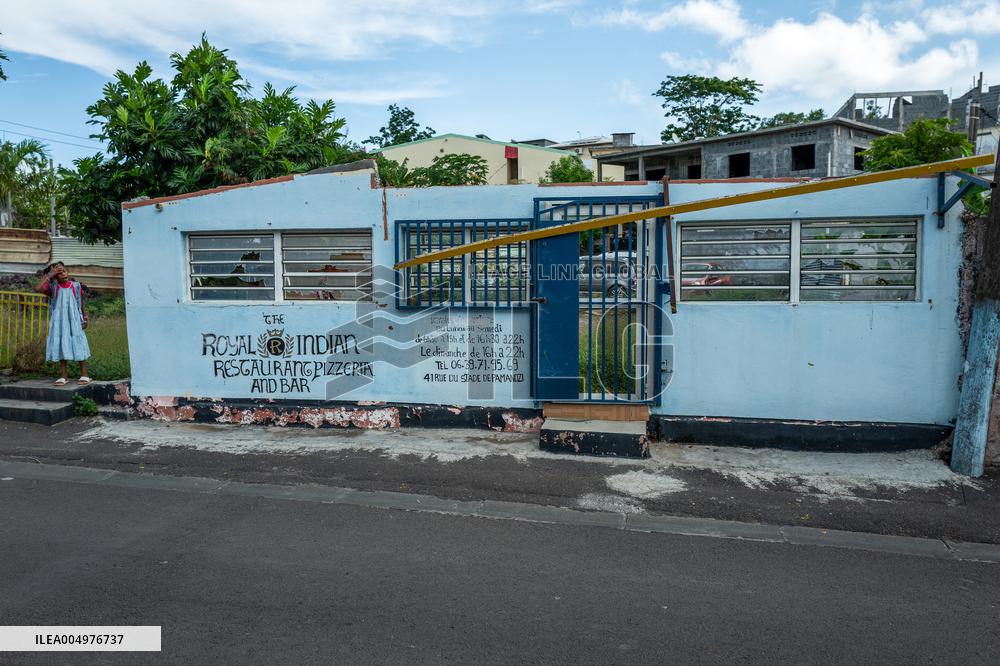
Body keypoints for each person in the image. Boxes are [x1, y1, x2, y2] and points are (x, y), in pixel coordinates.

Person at [34, 262, 91, 385]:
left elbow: (81, 303)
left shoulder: (75, 286)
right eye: (59, 273)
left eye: (64, 271)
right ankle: (64, 376)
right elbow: (37, 289)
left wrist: (85, 317)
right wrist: (50, 275)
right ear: (55, 277)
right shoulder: (53, 288)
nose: (63, 274)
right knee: (61, 343)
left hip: (74, 319)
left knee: (78, 342)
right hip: (59, 322)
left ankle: (84, 374)